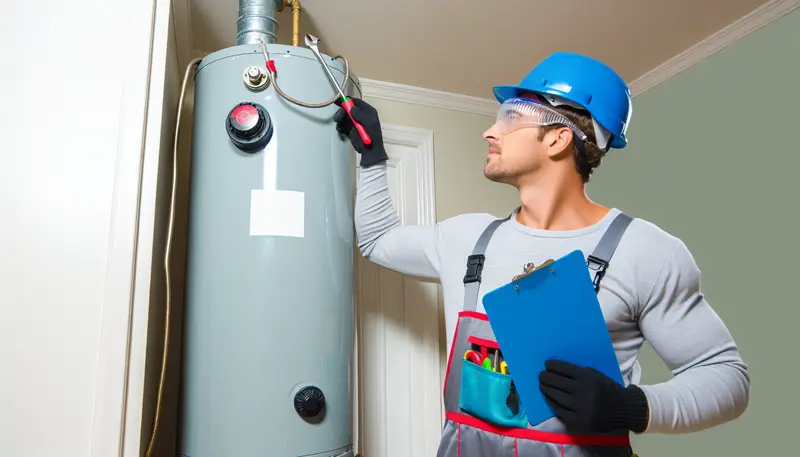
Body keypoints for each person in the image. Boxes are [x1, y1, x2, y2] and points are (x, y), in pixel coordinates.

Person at [333, 52, 749, 457]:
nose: (490, 132)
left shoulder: (645, 251)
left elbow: (727, 379)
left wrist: (632, 407)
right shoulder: (467, 239)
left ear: (558, 137)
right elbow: (377, 240)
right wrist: (372, 155)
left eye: (511, 116)